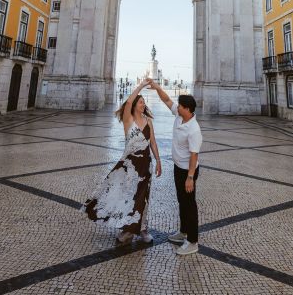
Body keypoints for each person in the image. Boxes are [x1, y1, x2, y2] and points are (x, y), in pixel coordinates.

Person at [81, 78, 161, 244]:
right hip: (130, 165)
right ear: (133, 105)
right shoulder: (128, 120)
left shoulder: (148, 121)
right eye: (140, 102)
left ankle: (142, 228)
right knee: (128, 196)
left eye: (144, 102)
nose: (142, 104)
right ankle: (128, 229)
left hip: (145, 164)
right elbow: (130, 100)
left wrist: (159, 161)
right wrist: (141, 85)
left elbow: (153, 142)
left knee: (143, 197)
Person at [149, 80, 202, 256]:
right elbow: (166, 100)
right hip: (178, 167)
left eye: (180, 106)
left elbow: (194, 155)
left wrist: (190, 177)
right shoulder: (180, 116)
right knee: (182, 201)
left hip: (188, 171)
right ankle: (183, 231)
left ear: (187, 109)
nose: (176, 107)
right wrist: (157, 87)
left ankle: (193, 241)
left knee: (189, 204)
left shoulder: (194, 129)